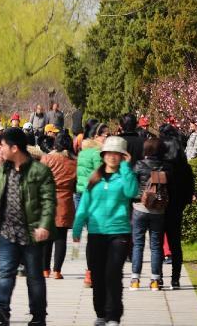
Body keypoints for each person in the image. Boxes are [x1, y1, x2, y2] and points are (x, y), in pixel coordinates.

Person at [0, 127, 55, 326]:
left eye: (3, 145)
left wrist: (44, 225)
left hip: (32, 233)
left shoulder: (40, 170)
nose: (0, 149)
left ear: (14, 148)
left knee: (34, 277)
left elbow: (49, 201)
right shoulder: (4, 168)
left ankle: (38, 317)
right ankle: (0, 311)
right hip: (7, 231)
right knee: (5, 272)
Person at [72, 136, 138, 326]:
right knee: (98, 275)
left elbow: (132, 192)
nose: (112, 157)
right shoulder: (94, 178)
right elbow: (84, 205)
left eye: (117, 154)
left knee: (113, 274)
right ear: (103, 155)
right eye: (109, 153)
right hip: (96, 233)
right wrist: (77, 228)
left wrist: (126, 167)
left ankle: (113, 316)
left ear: (122, 156)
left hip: (119, 233)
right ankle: (101, 313)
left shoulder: (125, 176)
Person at [130, 138, 172, 291]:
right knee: (156, 246)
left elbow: (133, 186)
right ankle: (155, 280)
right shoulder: (165, 167)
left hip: (140, 208)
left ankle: (135, 279)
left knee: (138, 245)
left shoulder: (139, 165)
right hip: (158, 210)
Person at [159, 122, 195, 290]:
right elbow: (190, 188)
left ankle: (157, 277)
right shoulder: (184, 167)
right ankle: (175, 279)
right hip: (177, 206)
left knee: (157, 242)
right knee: (175, 243)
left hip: (160, 207)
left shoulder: (160, 167)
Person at [75, 123, 109, 287]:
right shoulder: (96, 153)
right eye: (104, 135)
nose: (106, 138)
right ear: (96, 136)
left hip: (82, 195)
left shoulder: (82, 153)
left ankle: (90, 273)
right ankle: (93, 272)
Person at [39, 132, 77, 280]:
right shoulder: (74, 163)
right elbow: (76, 184)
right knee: (61, 237)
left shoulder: (47, 159)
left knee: (46, 238)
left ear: (56, 144)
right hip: (65, 201)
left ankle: (45, 270)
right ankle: (57, 271)